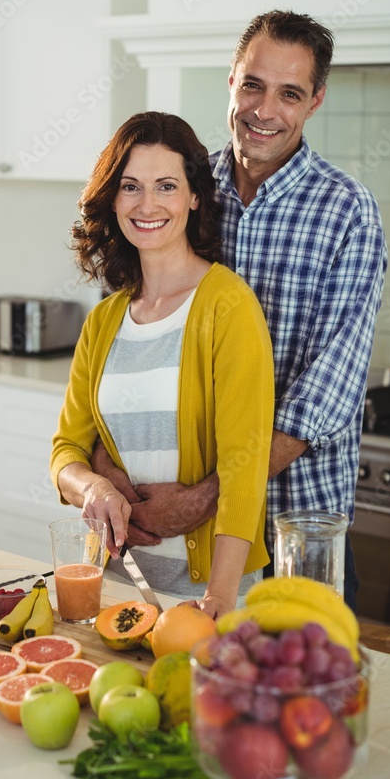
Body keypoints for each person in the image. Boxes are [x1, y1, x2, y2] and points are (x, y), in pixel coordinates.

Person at [91, 11, 388, 612]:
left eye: (290, 93)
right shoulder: (183, 185)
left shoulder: (347, 211)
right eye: (252, 84)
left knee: (298, 697)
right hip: (169, 530)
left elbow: (326, 395)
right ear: (230, 80)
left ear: (315, 101)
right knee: (170, 691)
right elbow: (123, 339)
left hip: (293, 527)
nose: (264, 110)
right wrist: (104, 468)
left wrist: (209, 495)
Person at [50, 111, 274, 619]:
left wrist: (217, 598)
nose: (147, 204)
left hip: (207, 592)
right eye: (130, 186)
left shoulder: (228, 306)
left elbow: (244, 467)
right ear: (112, 198)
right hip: (116, 583)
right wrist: (95, 487)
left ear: (194, 196)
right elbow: (66, 450)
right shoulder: (106, 319)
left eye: (165, 186)